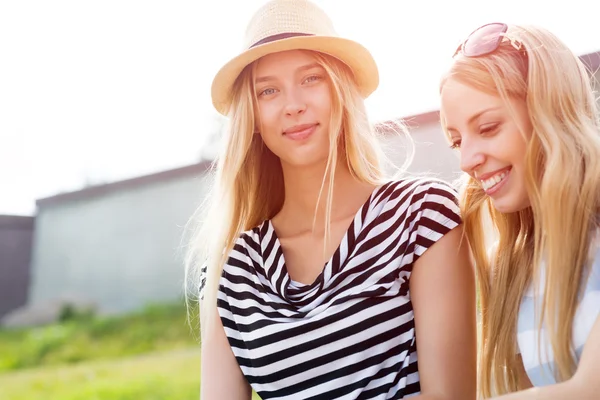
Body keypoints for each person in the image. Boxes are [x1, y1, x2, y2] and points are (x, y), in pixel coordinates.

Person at [186, 1, 477, 399]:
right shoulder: (230, 270)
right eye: (268, 90)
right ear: (250, 116)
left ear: (341, 89)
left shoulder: (421, 215)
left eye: (311, 78)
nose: (293, 105)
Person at [439, 22, 600, 399]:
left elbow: (590, 389)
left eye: (489, 127)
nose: (467, 160)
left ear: (549, 110)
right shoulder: (515, 269)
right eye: (456, 141)